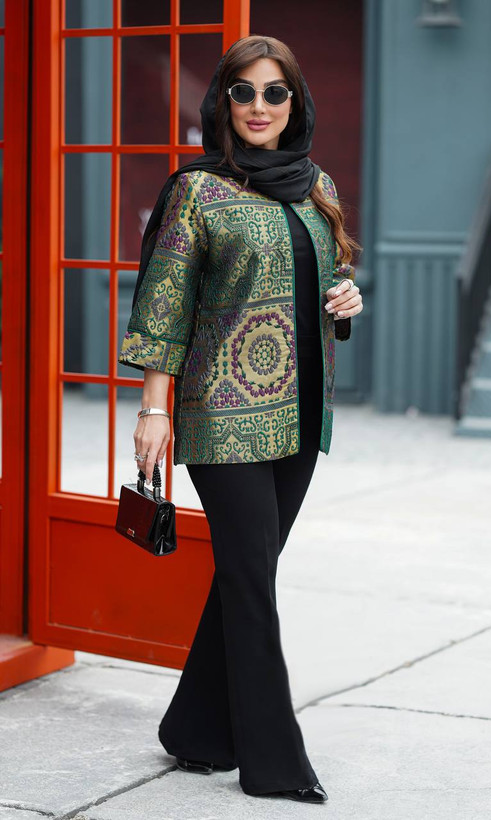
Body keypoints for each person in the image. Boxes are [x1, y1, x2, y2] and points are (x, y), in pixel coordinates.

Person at [117, 35, 363, 804]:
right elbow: (165, 305)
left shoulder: (316, 186)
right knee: (253, 585)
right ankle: (274, 762)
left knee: (245, 575)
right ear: (222, 102)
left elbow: (325, 276)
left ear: (295, 103)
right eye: (244, 92)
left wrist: (346, 299)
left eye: (275, 92)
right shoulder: (197, 193)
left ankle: (194, 729)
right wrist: (153, 408)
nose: (260, 107)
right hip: (222, 416)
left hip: (300, 417)